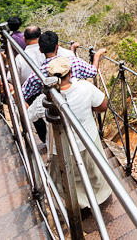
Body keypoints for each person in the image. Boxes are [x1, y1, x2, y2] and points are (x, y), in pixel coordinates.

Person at [46, 57, 113, 209]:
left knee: (71, 177)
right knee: (94, 169)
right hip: (87, 138)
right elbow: (102, 106)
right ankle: (99, 197)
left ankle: (79, 203)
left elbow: (29, 114)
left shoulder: (46, 99)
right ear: (70, 73)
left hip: (62, 147)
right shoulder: (84, 87)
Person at [22, 31, 106, 104]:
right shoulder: (75, 62)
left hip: (55, 112)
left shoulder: (37, 74)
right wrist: (97, 55)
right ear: (57, 46)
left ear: (40, 50)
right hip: (79, 103)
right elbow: (93, 71)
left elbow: (22, 95)